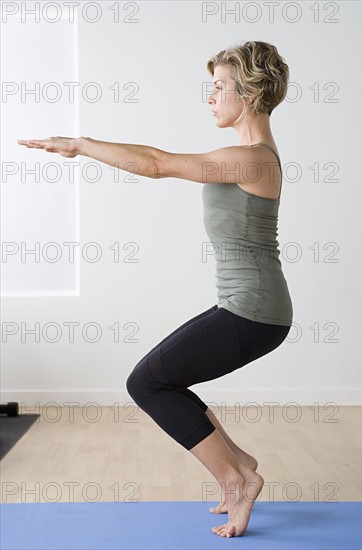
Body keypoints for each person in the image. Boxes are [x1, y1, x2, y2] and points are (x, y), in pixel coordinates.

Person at [18, 40, 293, 538]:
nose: (210, 99)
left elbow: (155, 163)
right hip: (247, 307)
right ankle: (244, 466)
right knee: (161, 378)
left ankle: (234, 481)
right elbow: (157, 161)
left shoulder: (249, 158)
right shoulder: (251, 155)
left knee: (147, 383)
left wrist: (81, 145)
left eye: (218, 89)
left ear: (248, 95)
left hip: (252, 312)